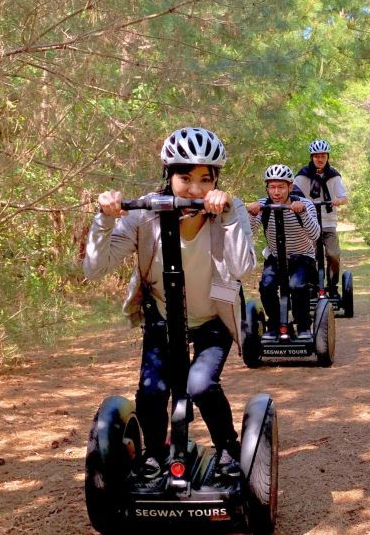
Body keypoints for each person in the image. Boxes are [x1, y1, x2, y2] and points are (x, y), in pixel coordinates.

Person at [83, 127, 256, 484]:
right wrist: (105, 218)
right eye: (185, 178)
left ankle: (227, 445)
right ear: (168, 176)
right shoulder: (144, 214)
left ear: (216, 180)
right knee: (151, 392)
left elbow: (242, 268)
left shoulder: (229, 211)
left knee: (200, 385)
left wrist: (227, 216)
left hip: (212, 320)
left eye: (205, 179)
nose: (195, 189)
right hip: (163, 319)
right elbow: (95, 268)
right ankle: (157, 453)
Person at [246, 164, 320, 338]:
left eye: (281, 187)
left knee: (297, 286)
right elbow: (249, 233)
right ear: (267, 188)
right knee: (266, 285)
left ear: (290, 187)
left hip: (302, 256)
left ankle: (302, 326)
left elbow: (315, 234)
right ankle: (274, 324)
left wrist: (302, 213)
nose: (276, 192)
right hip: (276, 256)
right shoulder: (263, 206)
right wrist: (251, 214)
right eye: (272, 187)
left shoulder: (305, 204)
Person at [294, 139, 348, 297]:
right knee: (310, 256)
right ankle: (312, 286)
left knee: (333, 254)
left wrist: (339, 200)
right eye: (316, 156)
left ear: (327, 157)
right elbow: (293, 195)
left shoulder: (334, 175)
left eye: (323, 156)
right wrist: (301, 204)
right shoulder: (302, 176)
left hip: (329, 221)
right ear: (311, 157)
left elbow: (344, 197)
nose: (320, 159)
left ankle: (332, 287)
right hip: (309, 222)